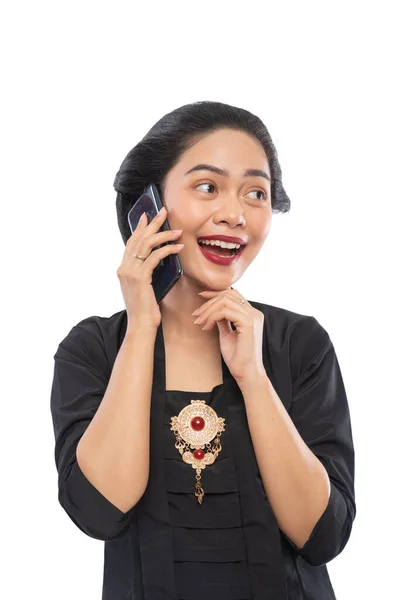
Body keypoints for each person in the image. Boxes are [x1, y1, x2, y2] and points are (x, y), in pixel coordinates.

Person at [50, 100, 356, 600]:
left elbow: (322, 535)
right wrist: (142, 325)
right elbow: (100, 511)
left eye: (256, 193)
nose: (235, 215)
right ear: (147, 206)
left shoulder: (300, 344)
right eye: (207, 187)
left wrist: (254, 378)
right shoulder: (95, 350)